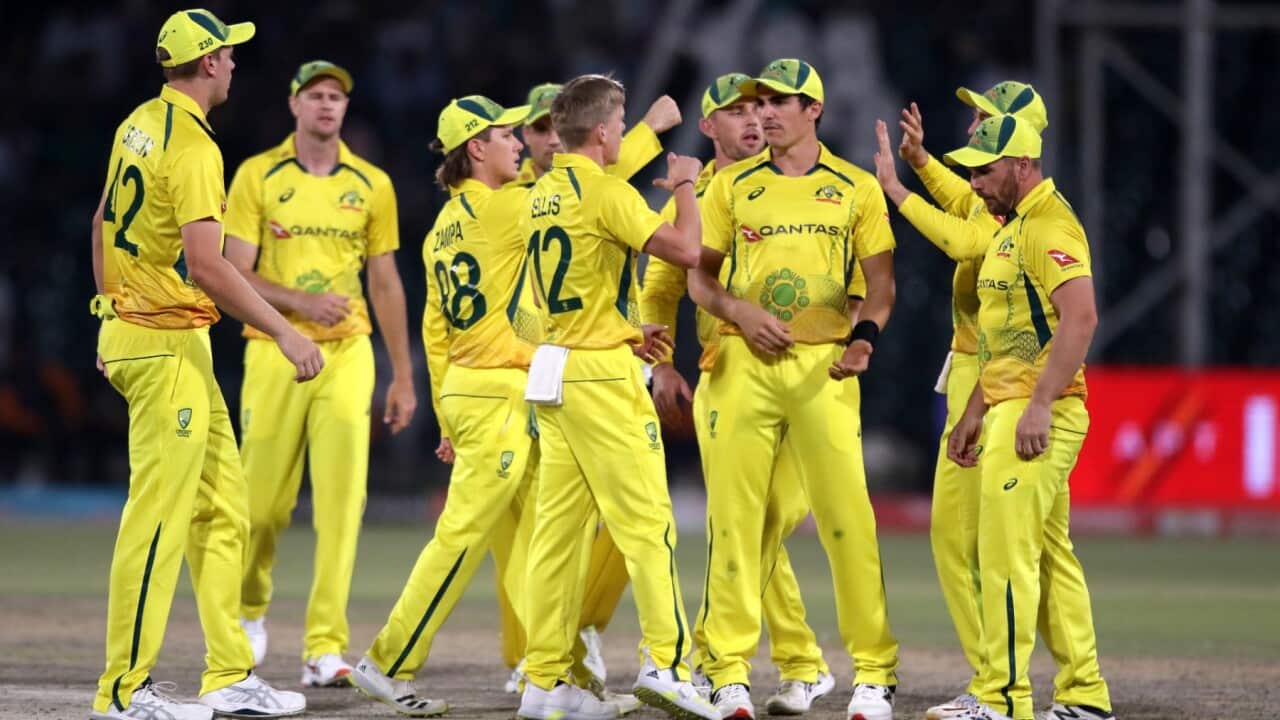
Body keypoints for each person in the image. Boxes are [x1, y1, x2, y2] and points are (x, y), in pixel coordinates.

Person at [89, 9, 316, 719]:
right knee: (158, 517)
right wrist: (285, 331)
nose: (236, 63)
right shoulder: (192, 145)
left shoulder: (139, 122)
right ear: (211, 63)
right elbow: (209, 267)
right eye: (229, 52)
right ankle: (123, 691)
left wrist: (108, 310)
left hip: (158, 337)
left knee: (224, 508)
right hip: (161, 346)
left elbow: (101, 221)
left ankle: (228, 673)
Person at [687, 59, 899, 720]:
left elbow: (882, 286)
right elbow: (701, 282)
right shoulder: (731, 186)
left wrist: (864, 341)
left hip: (825, 369)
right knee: (734, 525)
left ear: (815, 110)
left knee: (847, 524)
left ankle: (873, 674)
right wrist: (741, 314)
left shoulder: (855, 187)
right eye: (761, 102)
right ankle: (727, 674)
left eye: (783, 101)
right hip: (742, 368)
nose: (767, 112)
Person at [516, 73, 716, 720]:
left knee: (555, 538)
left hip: (556, 368)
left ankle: (543, 684)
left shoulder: (541, 193)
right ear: (602, 131)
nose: (622, 132)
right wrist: (684, 180)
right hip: (601, 381)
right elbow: (686, 249)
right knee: (648, 526)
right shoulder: (606, 193)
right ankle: (668, 664)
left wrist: (625, 330)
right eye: (621, 121)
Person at [639, 72, 837, 715]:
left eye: (760, 108)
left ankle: (744, 659)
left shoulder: (801, 185)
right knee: (742, 524)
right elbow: (660, 291)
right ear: (708, 128)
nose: (752, 120)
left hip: (811, 378)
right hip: (729, 373)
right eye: (734, 111)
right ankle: (794, 666)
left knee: (768, 521)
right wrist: (662, 365)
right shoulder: (695, 200)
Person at [347, 93, 545, 717]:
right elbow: (585, 191)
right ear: (476, 149)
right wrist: (642, 134)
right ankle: (389, 660)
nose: (520, 144)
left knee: (543, 536)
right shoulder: (506, 208)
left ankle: (553, 671)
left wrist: (446, 414)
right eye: (508, 135)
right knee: (462, 537)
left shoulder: (441, 230)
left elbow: (436, 334)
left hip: (471, 388)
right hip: (497, 391)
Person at [223, 59, 414, 686]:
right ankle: (248, 612)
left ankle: (324, 646)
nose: (327, 105)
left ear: (345, 109)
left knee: (342, 502)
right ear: (294, 105)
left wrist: (404, 374)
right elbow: (233, 272)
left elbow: (384, 282)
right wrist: (301, 307)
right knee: (262, 505)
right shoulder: (258, 175)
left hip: (347, 354)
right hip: (273, 349)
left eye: (336, 96)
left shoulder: (371, 183)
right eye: (315, 95)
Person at [870, 81, 1049, 720]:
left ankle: (997, 686)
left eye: (985, 118)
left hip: (993, 374)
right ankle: (1049, 683)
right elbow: (965, 210)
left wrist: (897, 191)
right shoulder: (999, 193)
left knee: (967, 538)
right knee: (994, 543)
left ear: (1016, 138)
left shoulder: (1014, 206)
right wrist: (922, 165)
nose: (972, 124)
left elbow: (963, 240)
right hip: (980, 369)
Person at [935, 114, 1115, 720]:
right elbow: (1009, 336)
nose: (974, 182)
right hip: (1009, 407)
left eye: (984, 170)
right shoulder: (1014, 227)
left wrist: (1037, 404)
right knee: (1047, 553)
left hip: (1041, 414)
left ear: (1022, 165)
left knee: (1005, 557)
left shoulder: (1049, 225)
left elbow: (1081, 318)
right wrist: (973, 411)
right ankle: (1085, 695)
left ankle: (1003, 699)